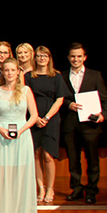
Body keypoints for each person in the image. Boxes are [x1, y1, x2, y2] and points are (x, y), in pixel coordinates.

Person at [0, 57, 39, 213]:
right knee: (2, 176)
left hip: (22, 135)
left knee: (21, 175)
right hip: (1, 136)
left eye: (13, 70)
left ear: (18, 72)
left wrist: (22, 129)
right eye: (7, 70)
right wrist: (0, 129)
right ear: (3, 72)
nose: (10, 73)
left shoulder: (26, 90)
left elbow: (34, 116)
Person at [61, 43, 106, 204]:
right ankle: (77, 188)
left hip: (90, 125)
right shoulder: (62, 76)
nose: (76, 59)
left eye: (79, 56)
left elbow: (104, 100)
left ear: (85, 57)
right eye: (73, 56)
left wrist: (102, 116)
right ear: (68, 58)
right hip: (70, 124)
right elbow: (60, 98)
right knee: (73, 159)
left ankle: (91, 190)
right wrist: (68, 104)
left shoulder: (95, 75)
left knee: (92, 159)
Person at [25, 45, 69, 203]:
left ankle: (50, 188)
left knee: (48, 155)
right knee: (36, 154)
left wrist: (47, 117)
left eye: (45, 56)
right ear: (35, 58)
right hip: (34, 117)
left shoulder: (56, 76)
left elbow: (60, 99)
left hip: (51, 119)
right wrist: (35, 117)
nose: (42, 59)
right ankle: (40, 187)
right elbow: (26, 97)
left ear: (49, 58)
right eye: (39, 56)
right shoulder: (30, 76)